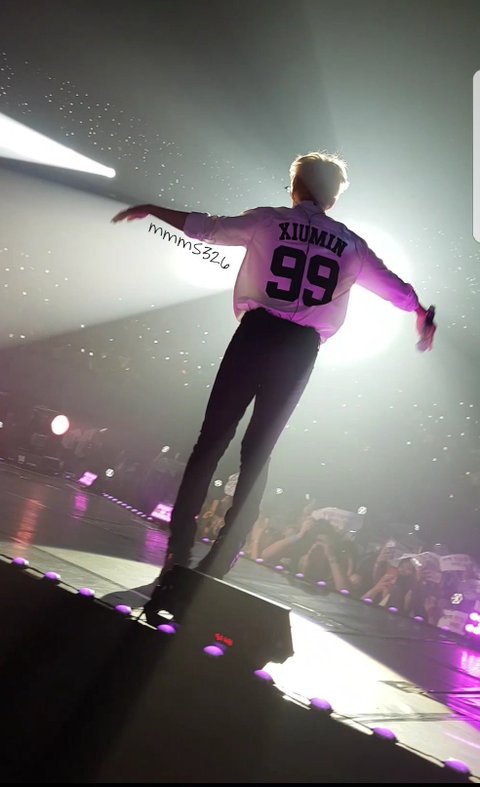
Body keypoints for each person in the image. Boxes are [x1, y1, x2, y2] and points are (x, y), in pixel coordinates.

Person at [112, 150, 436, 602]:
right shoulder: (352, 244)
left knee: (211, 441)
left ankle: (179, 547)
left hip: (256, 334)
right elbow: (395, 289)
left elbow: (207, 227)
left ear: (296, 186)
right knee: (257, 452)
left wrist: (153, 209)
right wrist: (421, 313)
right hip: (300, 350)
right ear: (333, 198)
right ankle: (223, 555)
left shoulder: (268, 220)